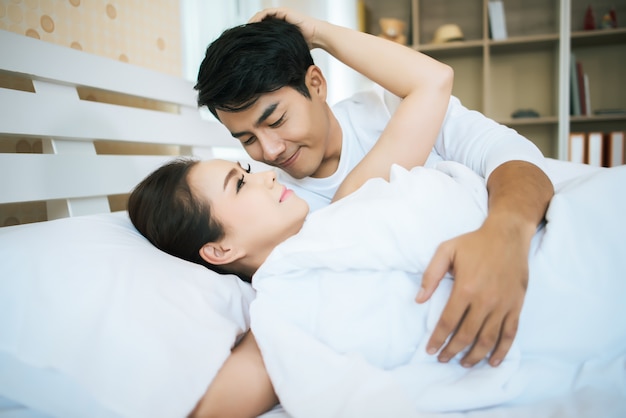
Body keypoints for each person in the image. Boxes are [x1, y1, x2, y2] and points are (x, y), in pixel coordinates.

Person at [194, 7, 554, 372]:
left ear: (316, 84)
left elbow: (514, 159)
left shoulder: (392, 108)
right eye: (246, 139)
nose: (269, 151)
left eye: (276, 120)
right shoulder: (277, 210)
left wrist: (504, 236)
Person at [128, 157, 626, 417]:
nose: (264, 176)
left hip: (570, 228)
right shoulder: (279, 310)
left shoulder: (342, 213)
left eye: (248, 172)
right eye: (239, 185)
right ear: (218, 251)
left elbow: (446, 188)